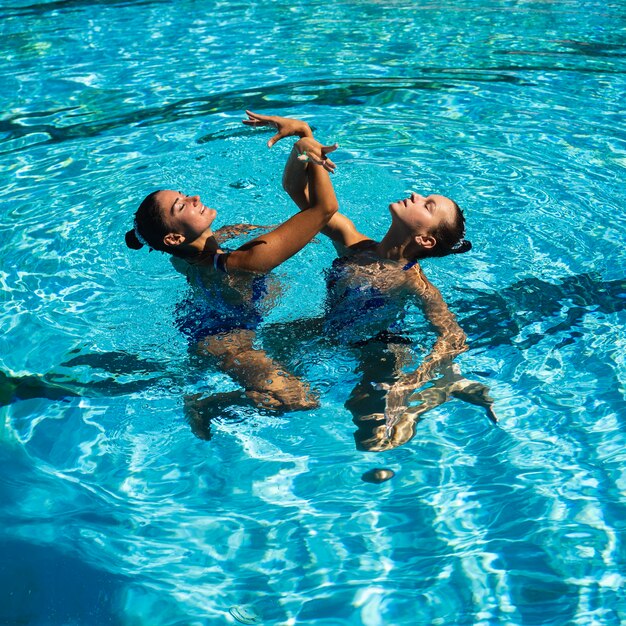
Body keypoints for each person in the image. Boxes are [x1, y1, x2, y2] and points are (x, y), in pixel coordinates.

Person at [243, 111, 496, 451]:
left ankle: (441, 390)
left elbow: (452, 336)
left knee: (372, 437)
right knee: (270, 344)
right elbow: (297, 190)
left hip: (379, 346)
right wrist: (303, 142)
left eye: (428, 205)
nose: (417, 195)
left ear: (426, 240)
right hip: (327, 329)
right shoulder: (353, 243)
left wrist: (414, 380)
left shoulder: (413, 282)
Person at [125, 122, 339, 437]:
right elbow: (326, 209)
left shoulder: (186, 257)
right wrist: (308, 143)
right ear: (173, 237)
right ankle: (208, 404)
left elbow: (203, 246)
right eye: (182, 205)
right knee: (302, 400)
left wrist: (237, 230)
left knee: (338, 328)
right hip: (228, 346)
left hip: (212, 326)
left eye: (185, 195)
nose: (195, 197)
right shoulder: (243, 263)